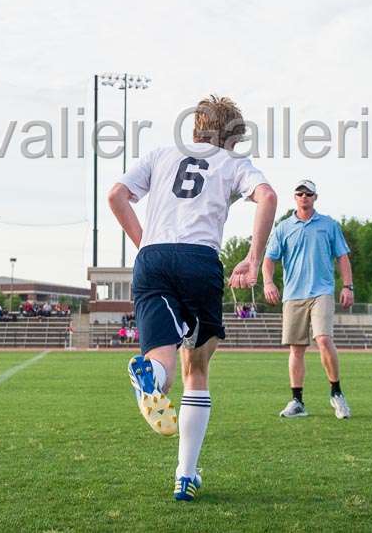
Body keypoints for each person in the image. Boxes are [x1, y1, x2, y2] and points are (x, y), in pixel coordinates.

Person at [110, 94, 276, 502]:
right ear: (233, 137)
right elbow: (268, 197)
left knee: (162, 360)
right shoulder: (233, 163)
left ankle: (151, 380)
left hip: (152, 259)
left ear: (195, 127)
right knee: (197, 368)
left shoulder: (161, 154)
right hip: (198, 258)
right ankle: (185, 474)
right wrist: (254, 258)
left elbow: (116, 195)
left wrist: (143, 243)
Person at [262, 178, 354, 421]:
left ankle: (336, 393)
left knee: (323, 339)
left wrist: (348, 286)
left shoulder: (328, 225)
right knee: (296, 348)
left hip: (321, 291)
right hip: (293, 294)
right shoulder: (283, 227)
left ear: (315, 197)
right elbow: (269, 259)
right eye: (300, 193)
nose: (304, 197)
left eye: (309, 194)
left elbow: (343, 257)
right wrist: (268, 282)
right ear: (295, 197)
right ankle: (297, 400)